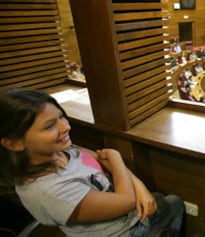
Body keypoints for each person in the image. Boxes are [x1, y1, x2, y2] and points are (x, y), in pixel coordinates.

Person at [0, 88, 184, 237]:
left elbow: (102, 160)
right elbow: (126, 199)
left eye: (61, 117)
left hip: (126, 211)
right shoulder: (47, 190)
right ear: (15, 143)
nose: (66, 127)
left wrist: (139, 185)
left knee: (157, 197)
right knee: (174, 203)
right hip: (122, 231)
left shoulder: (59, 151)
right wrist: (116, 156)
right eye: (49, 126)